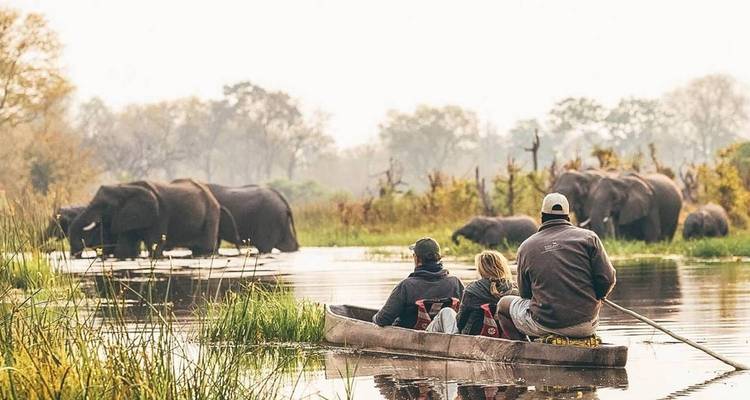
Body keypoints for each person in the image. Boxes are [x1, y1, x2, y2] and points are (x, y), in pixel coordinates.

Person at [496, 193, 616, 340]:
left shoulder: (526, 247)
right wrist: (600, 296)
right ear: (568, 217)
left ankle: (523, 349)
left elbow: (525, 294)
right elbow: (608, 279)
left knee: (503, 305)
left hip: (544, 324)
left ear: (542, 217)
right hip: (586, 324)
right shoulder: (589, 238)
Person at [373, 237, 464, 332]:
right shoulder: (455, 282)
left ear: (417, 259)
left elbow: (382, 320)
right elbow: (465, 314)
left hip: (411, 339)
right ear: (438, 257)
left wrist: (375, 318)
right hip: (447, 333)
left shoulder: (406, 286)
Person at [456, 250, 519, 336]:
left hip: (474, 334)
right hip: (505, 335)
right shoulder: (514, 290)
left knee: (447, 312)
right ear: (502, 267)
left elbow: (460, 322)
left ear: (481, 269)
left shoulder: (471, 290)